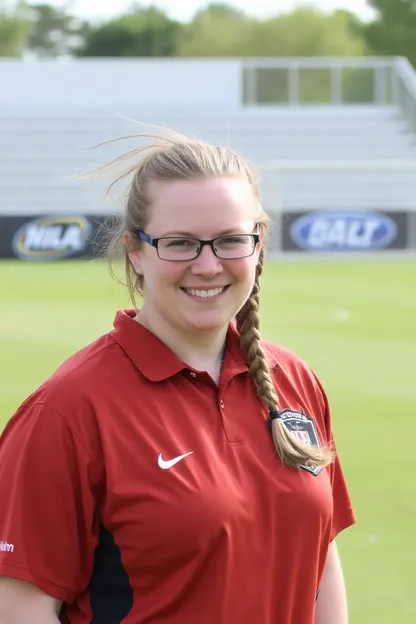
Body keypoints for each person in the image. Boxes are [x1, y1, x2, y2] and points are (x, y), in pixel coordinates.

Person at [0, 133, 355, 624]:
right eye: (181, 243)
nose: (207, 265)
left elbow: (321, 564)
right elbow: (21, 609)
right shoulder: (68, 411)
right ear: (136, 252)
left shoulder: (294, 380)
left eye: (230, 239)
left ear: (257, 244)